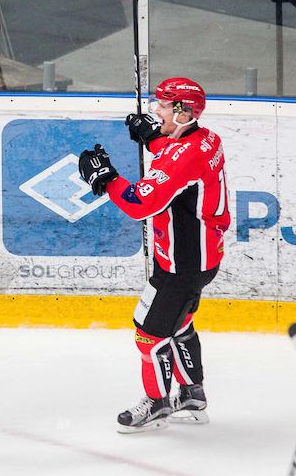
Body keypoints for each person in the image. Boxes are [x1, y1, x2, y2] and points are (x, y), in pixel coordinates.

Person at [77, 77, 230, 433]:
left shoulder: (184, 155)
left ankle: (157, 403)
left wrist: (106, 178)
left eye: (163, 105)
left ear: (183, 112)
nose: (154, 110)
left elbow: (139, 202)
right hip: (200, 257)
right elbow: (177, 155)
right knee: (179, 324)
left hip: (182, 264)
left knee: (149, 334)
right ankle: (192, 394)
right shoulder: (206, 139)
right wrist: (154, 139)